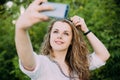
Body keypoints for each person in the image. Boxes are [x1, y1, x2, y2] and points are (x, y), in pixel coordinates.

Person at [15, 0, 110, 80]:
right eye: (56, 31)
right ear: (50, 36)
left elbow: (103, 55)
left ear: (72, 41)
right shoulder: (42, 64)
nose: (59, 36)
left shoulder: (78, 65)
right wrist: (21, 29)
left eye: (66, 33)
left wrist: (86, 30)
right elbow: (28, 62)